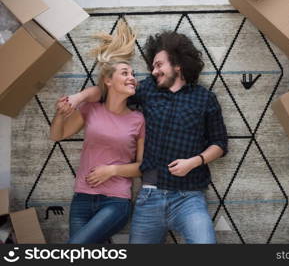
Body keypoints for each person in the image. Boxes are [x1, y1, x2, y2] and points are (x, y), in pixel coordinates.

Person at [65, 31, 228, 244]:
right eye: (152, 66)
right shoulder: (148, 89)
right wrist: (79, 97)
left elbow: (220, 144)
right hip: (149, 197)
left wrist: (194, 162)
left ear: (177, 65)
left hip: (189, 198)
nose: (154, 71)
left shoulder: (205, 98)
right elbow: (107, 91)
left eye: (159, 65)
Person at [49, 21, 145, 244]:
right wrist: (60, 112)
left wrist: (111, 170)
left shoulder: (138, 119)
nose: (132, 77)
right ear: (108, 81)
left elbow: (142, 167)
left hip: (116, 202)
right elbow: (57, 135)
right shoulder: (91, 109)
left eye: (132, 73)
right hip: (82, 199)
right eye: (125, 73)